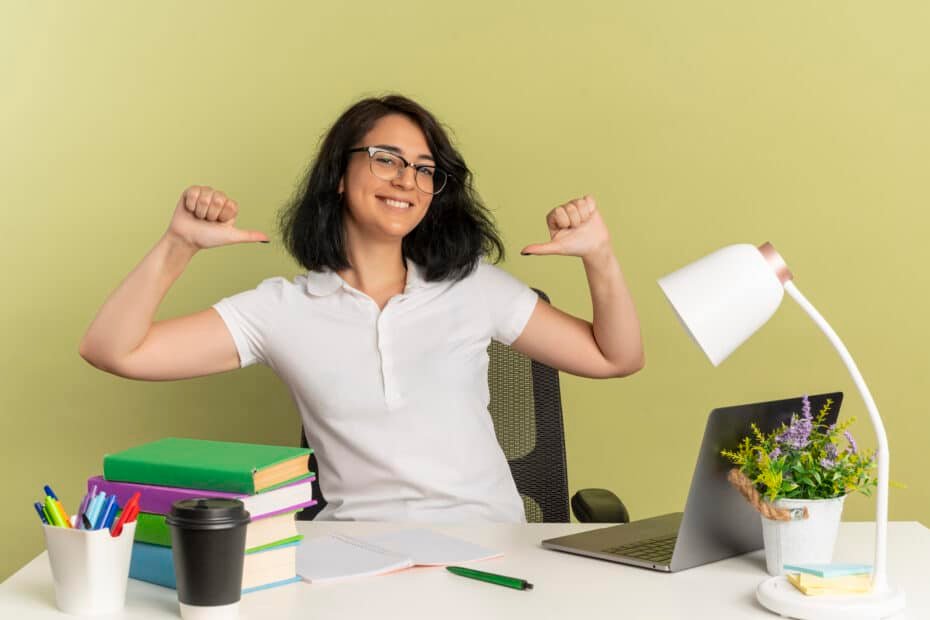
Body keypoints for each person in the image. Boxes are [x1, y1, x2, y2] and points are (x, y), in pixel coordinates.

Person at [79, 94, 644, 523]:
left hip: (493, 550)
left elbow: (614, 357)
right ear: (339, 176)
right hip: (357, 559)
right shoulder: (281, 311)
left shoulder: (474, 287)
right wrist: (179, 245)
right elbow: (113, 350)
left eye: (425, 169)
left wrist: (599, 256)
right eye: (386, 159)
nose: (408, 180)